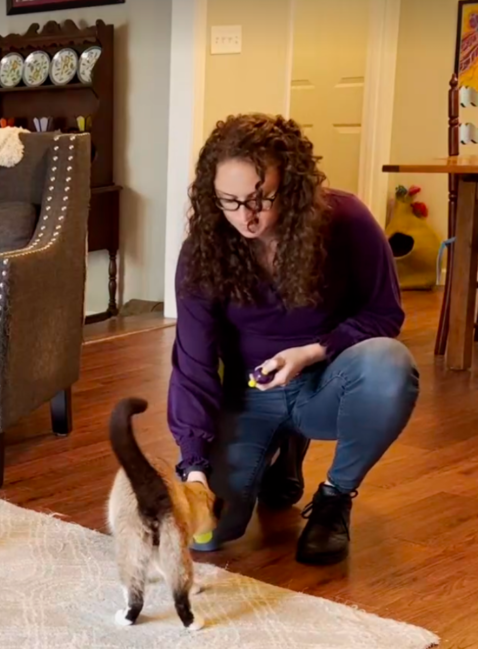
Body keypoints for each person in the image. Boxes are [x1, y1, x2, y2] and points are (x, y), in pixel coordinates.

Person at [168, 113, 420, 565]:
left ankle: (334, 497)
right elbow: (193, 364)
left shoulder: (346, 220)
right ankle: (280, 451)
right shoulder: (204, 250)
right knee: (205, 537)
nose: (246, 216)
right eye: (230, 200)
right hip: (249, 395)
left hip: (327, 385)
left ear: (294, 184)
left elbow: (385, 313)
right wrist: (195, 468)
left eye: (261, 198)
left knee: (390, 364)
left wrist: (311, 352)